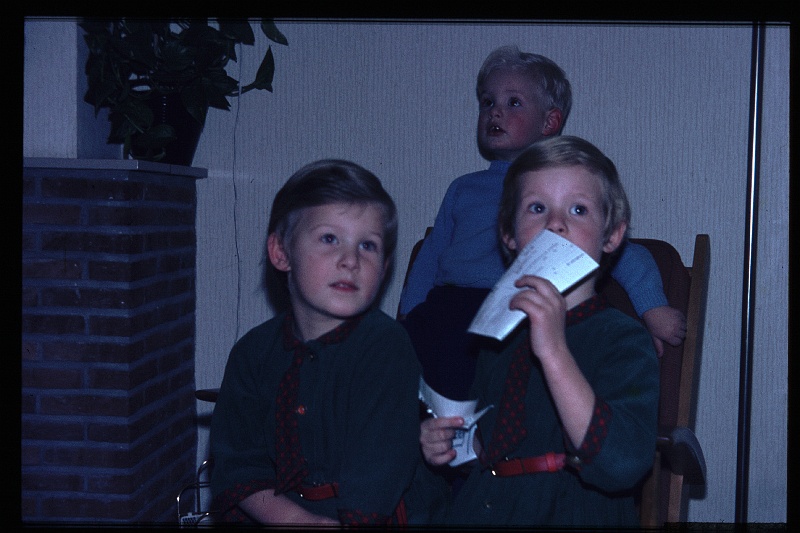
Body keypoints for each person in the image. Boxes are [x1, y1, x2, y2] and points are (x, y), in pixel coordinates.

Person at [399, 45, 684, 402]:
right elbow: (432, 256)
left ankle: (471, 442)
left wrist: (652, 307)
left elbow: (625, 252)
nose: (495, 111)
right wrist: (408, 315)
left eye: (513, 102)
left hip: (520, 308)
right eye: (487, 102)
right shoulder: (463, 188)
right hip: (448, 308)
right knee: (396, 369)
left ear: (550, 122)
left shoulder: (563, 190)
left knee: (507, 382)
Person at [419, 136, 660, 527]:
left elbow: (621, 463)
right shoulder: (499, 335)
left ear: (612, 235)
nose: (555, 223)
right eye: (537, 208)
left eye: (578, 209)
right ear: (509, 235)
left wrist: (554, 351)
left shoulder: (623, 339)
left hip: (572, 510)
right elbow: (494, 446)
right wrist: (454, 446)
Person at [209, 159, 424, 526]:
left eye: (368, 246)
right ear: (281, 253)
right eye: (329, 238)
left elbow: (378, 474)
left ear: (385, 267)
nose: (350, 260)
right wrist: (292, 520)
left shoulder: (386, 347)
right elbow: (237, 463)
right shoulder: (252, 353)